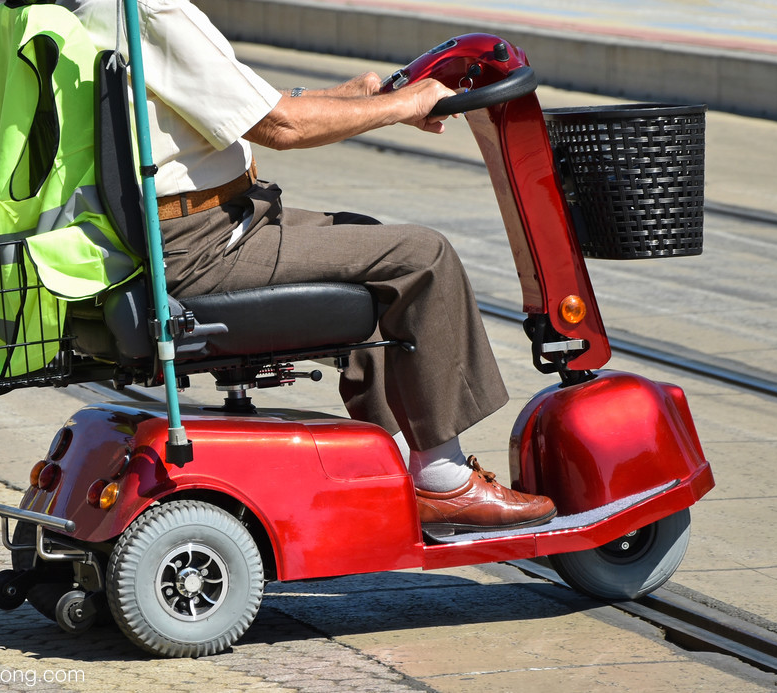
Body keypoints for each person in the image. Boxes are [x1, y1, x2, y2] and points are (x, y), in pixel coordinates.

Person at [59, 0, 557, 532]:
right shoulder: (155, 13)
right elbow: (280, 126)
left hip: (206, 224)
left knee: (365, 237)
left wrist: (353, 95)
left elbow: (252, 103)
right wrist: (406, 104)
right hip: (206, 244)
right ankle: (445, 482)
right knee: (422, 256)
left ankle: (388, 470)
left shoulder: (107, 8)